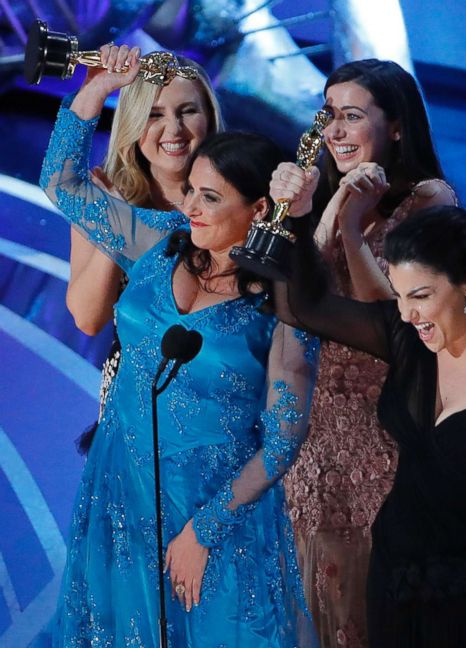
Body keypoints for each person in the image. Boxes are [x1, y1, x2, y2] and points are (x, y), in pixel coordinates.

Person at [39, 45, 319, 646]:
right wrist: (97, 89)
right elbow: (60, 182)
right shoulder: (161, 238)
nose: (189, 205)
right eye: (190, 191)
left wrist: (203, 531)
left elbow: (284, 439)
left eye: (209, 197)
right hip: (123, 487)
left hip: (216, 509)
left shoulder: (283, 300)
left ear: (258, 209)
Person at [268, 58, 457, 647]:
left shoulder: (429, 201)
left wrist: (350, 228)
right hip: (309, 439)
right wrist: (298, 215)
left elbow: (397, 325)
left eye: (353, 116)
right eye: (329, 117)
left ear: (396, 126)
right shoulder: (322, 189)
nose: (337, 132)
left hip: (382, 444)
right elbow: (290, 300)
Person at [274, 204, 466, 646]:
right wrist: (299, 215)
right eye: (400, 295)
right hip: (394, 573)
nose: (407, 313)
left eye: (421, 296)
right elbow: (300, 306)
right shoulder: (408, 337)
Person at [67, 49, 222, 454]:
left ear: (209, 120)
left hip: (220, 413)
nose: (173, 128)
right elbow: (87, 318)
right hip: (131, 418)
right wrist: (117, 224)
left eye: (188, 111)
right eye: (154, 114)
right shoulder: (99, 201)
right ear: (134, 124)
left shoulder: (239, 200)